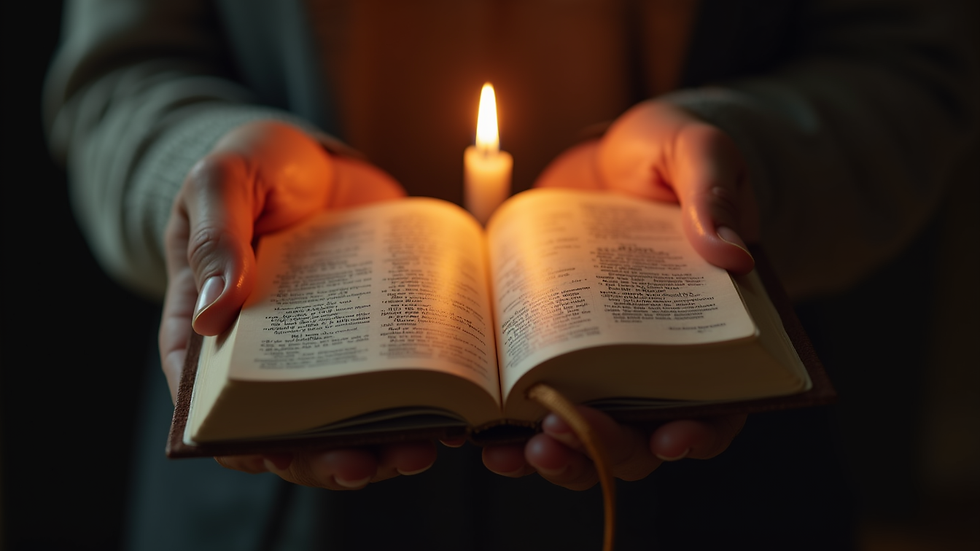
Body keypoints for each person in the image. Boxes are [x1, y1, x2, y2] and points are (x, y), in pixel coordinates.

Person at [44, 1, 978, 549]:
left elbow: (908, 60)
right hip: (267, 517)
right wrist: (196, 170)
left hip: (716, 502)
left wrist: (752, 160)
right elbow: (117, 75)